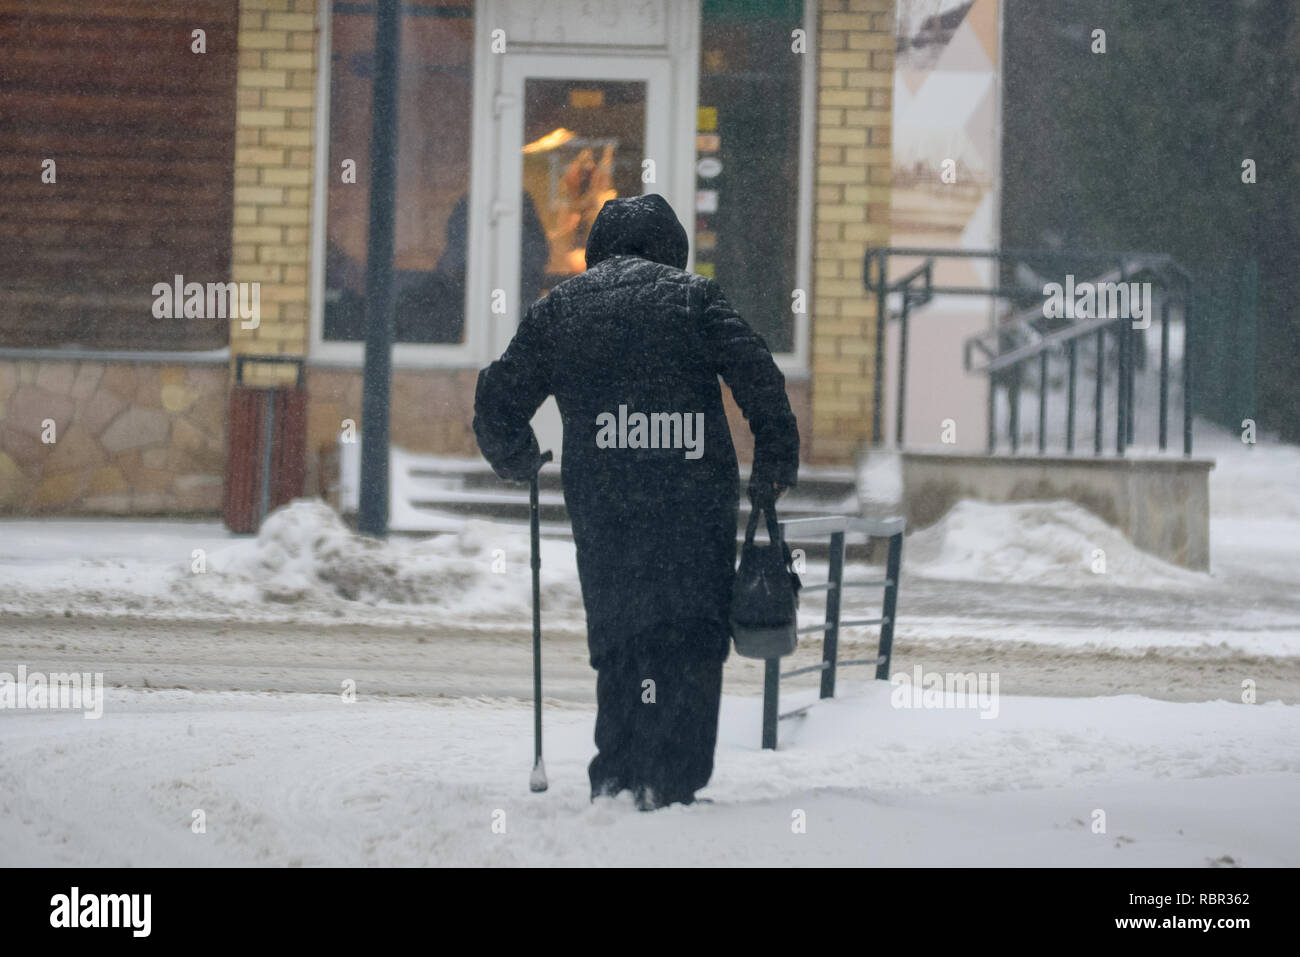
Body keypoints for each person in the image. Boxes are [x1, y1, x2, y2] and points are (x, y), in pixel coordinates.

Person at [472, 193, 799, 810]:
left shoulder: (560, 310)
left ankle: (620, 772)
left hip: (607, 502)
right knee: (694, 631)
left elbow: (498, 400)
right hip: (693, 502)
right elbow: (760, 376)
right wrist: (774, 462)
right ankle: (676, 778)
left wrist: (518, 457)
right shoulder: (694, 298)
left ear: (597, 250)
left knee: (623, 632)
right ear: (671, 247)